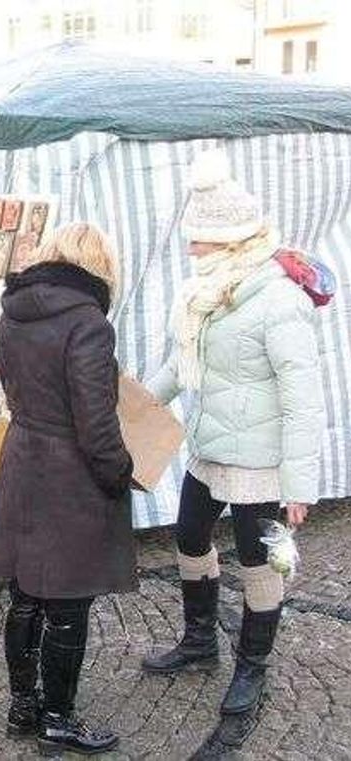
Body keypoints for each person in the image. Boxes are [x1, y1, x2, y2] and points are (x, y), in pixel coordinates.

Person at [141, 151, 324, 718]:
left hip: (260, 463)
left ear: (230, 242)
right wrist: (138, 406)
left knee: (257, 564)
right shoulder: (209, 295)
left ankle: (253, 667)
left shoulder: (278, 301)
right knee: (191, 537)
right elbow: (181, 363)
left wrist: (299, 485)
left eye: (199, 241)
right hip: (210, 447)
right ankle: (200, 642)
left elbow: (302, 398)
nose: (190, 250)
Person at [0, 222, 134, 755]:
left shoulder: (13, 310)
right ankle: (57, 718)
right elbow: (96, 424)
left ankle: (22, 706)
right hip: (67, 474)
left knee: (26, 595)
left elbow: (14, 388)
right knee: (69, 604)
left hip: (22, 458)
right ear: (98, 267)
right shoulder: (88, 322)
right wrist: (119, 472)